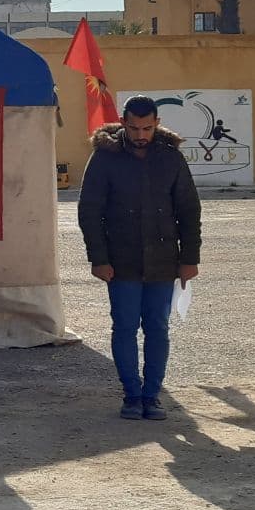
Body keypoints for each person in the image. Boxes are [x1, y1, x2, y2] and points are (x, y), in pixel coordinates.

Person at [78, 95, 201, 421]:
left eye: (147, 128)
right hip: (121, 262)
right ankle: (132, 394)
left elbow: (189, 210)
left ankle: (152, 396)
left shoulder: (171, 158)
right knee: (125, 327)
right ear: (123, 123)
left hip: (163, 261)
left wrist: (190, 258)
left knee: (158, 328)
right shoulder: (105, 158)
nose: (140, 135)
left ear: (157, 123)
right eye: (134, 128)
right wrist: (98, 258)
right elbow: (89, 212)